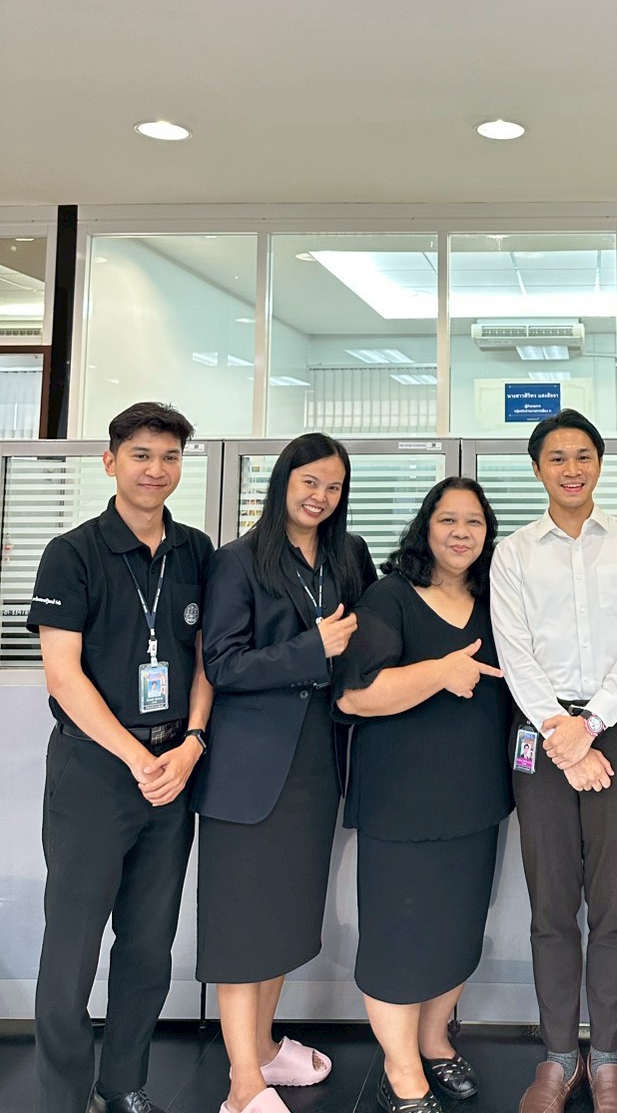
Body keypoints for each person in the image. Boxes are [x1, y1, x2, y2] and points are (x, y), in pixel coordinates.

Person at [26, 401, 214, 1113]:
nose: (155, 469)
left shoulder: (196, 550)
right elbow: (63, 676)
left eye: (169, 457)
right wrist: (137, 756)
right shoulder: (72, 553)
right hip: (97, 772)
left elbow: (207, 658)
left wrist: (193, 742)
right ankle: (63, 1097)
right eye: (140, 455)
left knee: (148, 944)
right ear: (110, 462)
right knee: (72, 948)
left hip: (173, 770)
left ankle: (124, 1082)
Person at [193, 432, 377, 1113]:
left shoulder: (347, 555)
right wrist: (311, 647)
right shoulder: (238, 560)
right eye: (309, 481)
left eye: (333, 486)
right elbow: (224, 663)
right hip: (248, 770)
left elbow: (372, 635)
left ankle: (265, 1047)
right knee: (242, 925)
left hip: (315, 765)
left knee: (280, 919)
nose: (320, 496)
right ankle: (243, 1083)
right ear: (283, 481)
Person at [490, 410, 617, 1113]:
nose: (572, 469)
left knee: (616, 901)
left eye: (584, 455)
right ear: (537, 468)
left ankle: (610, 1057)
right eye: (557, 457)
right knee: (552, 901)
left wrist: (589, 726)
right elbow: (514, 650)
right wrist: (561, 732)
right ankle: (559, 1055)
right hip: (540, 730)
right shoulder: (514, 553)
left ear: (599, 462)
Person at [335, 478, 512, 1113]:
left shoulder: (495, 600)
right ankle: (402, 1067)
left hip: (476, 799)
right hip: (400, 802)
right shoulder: (390, 597)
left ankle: (435, 1041)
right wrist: (440, 672)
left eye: (474, 522)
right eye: (448, 520)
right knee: (397, 938)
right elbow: (355, 695)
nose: (462, 533)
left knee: (458, 930)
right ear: (425, 528)